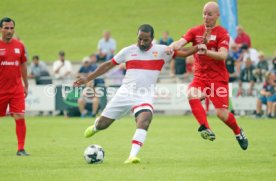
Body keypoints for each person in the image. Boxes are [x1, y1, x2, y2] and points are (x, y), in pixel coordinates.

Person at [74, 24, 201, 163]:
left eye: (145, 40)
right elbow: (108, 65)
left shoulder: (162, 51)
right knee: (103, 124)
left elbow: (184, 52)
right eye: (139, 39)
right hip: (125, 93)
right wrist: (88, 78)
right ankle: (95, 127)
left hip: (145, 95)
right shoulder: (128, 51)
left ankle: (132, 156)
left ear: (152, 39)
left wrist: (199, 46)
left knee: (145, 120)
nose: (142, 42)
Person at [166, 1, 248, 150]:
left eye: (209, 14)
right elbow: (180, 43)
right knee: (191, 94)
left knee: (221, 114)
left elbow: (223, 55)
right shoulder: (195, 31)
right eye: (204, 14)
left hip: (218, 78)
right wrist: (171, 47)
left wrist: (206, 51)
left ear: (217, 15)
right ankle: (205, 127)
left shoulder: (222, 33)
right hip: (200, 76)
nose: (206, 17)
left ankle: (238, 132)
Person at [0, 17, 29, 156]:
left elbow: (23, 64)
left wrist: (26, 84)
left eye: (11, 28)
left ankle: (21, 149)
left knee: (20, 116)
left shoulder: (19, 46)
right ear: (1, 29)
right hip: (1, 89)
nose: (9, 31)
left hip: (16, 88)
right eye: (6, 28)